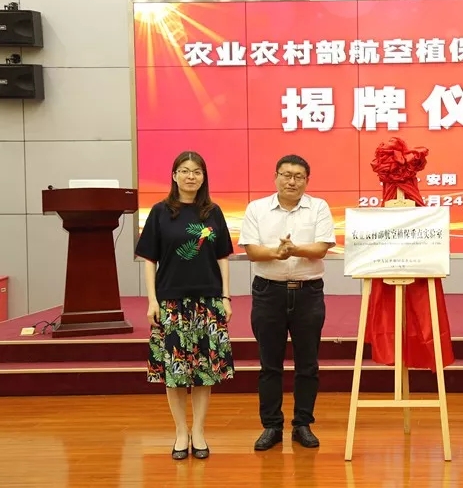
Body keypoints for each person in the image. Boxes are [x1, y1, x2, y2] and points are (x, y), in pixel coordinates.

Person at [135, 150, 235, 461]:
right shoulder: (160, 212)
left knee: (204, 371)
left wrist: (226, 297)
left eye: (197, 171)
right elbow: (149, 259)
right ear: (174, 175)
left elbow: (222, 257)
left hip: (208, 301)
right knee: (174, 371)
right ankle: (181, 431)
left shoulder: (213, 212)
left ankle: (199, 431)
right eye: (185, 170)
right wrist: (152, 300)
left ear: (204, 177)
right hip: (170, 301)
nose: (191, 176)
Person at [238, 154, 336, 451]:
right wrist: (278, 253)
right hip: (269, 292)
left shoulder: (318, 207)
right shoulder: (257, 208)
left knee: (308, 363)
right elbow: (252, 251)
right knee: (270, 364)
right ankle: (271, 426)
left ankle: (302, 424)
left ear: (307, 181)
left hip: (308, 293)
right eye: (286, 175)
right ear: (276, 177)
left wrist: (294, 249)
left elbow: (321, 248)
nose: (291, 181)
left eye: (298, 177)